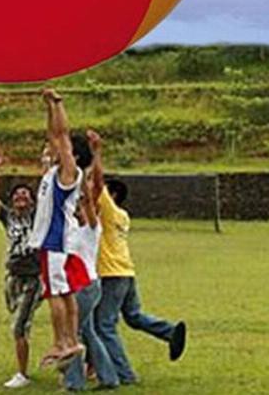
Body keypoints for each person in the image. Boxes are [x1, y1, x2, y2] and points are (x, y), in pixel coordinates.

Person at [92, 129, 187, 386]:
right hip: (127, 271)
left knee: (104, 326)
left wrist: (96, 152)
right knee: (133, 316)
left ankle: (125, 374)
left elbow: (97, 182)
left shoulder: (109, 212)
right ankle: (170, 331)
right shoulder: (123, 216)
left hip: (111, 273)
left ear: (111, 196)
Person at [29, 88, 93, 370]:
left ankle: (62, 341)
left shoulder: (69, 173)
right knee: (65, 292)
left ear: (74, 157)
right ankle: (71, 339)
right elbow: (54, 136)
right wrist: (48, 108)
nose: (52, 149)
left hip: (54, 241)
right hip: (59, 241)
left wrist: (57, 103)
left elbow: (62, 136)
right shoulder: (55, 172)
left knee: (54, 292)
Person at [63, 136, 119, 391]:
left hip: (85, 287)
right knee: (88, 332)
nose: (80, 210)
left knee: (72, 333)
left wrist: (92, 158)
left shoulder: (92, 230)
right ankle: (109, 377)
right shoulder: (73, 228)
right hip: (81, 285)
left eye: (83, 208)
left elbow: (91, 190)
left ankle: (74, 382)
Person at [0, 152, 42, 389]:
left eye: (25, 194)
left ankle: (22, 374)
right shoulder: (8, 217)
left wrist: (46, 166)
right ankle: (25, 355)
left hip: (33, 277)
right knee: (17, 317)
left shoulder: (38, 217)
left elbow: (45, 194)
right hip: (12, 275)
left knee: (18, 325)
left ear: (31, 201)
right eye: (17, 194)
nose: (21, 196)